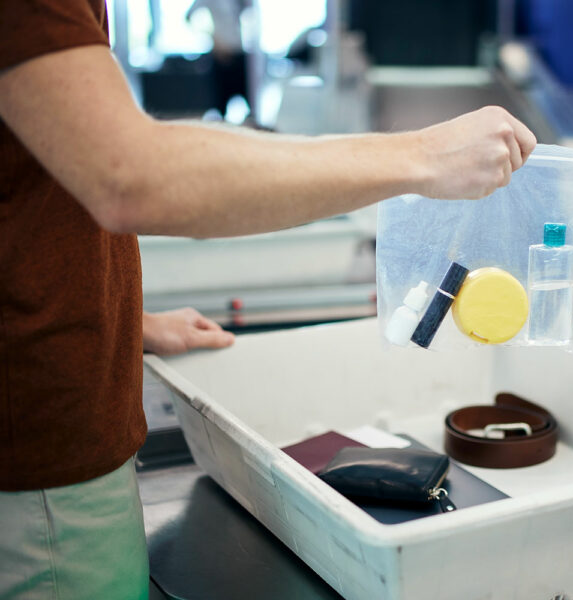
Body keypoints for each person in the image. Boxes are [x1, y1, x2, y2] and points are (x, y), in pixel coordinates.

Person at [0, 1, 536, 599]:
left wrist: (118, 312)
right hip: (37, 473)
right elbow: (127, 173)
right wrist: (421, 157)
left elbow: (31, 185)